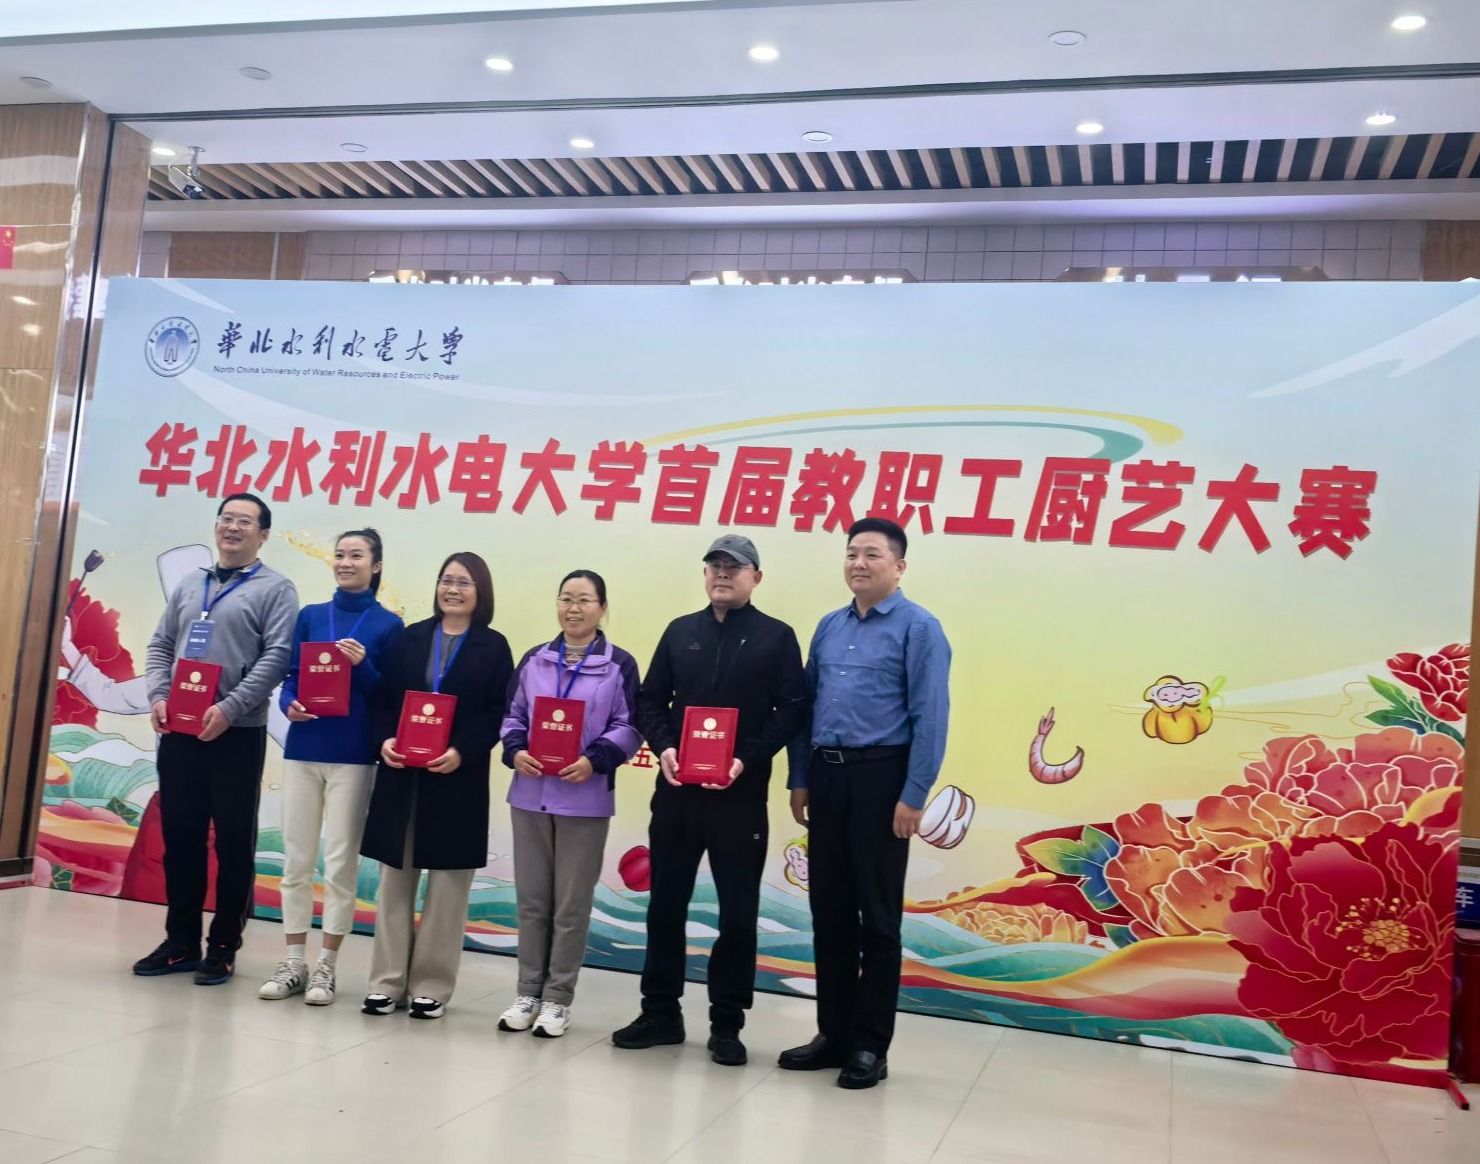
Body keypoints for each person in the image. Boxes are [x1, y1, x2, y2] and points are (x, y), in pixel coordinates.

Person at [612, 534, 807, 1066]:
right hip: (677, 793)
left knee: (737, 913)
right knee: (665, 905)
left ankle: (727, 1022)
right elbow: (650, 699)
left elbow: (791, 711)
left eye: (734, 567)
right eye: (715, 565)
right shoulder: (681, 632)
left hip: (739, 798)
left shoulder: (776, 637)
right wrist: (665, 747)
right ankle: (660, 1013)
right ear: (705, 574)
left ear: (755, 578)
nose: (722, 573)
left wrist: (746, 758)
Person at [779, 517, 951, 1090]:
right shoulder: (829, 627)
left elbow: (931, 718)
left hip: (882, 780)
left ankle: (870, 1046)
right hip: (826, 778)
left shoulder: (920, 629)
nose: (859, 563)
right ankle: (833, 1034)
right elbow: (806, 710)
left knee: (877, 919)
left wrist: (913, 795)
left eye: (872, 554)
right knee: (828, 911)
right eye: (852, 553)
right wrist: (800, 777)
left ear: (899, 566)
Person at [133, 493, 299, 985]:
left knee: (233, 841)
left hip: (236, 735)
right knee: (181, 838)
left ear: (262, 535)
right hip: (181, 732)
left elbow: (278, 656)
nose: (232, 527)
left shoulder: (276, 589)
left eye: (244, 521)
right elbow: (161, 644)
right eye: (226, 518)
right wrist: (159, 695)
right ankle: (180, 942)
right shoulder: (192, 584)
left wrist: (230, 708)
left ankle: (223, 946)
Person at [358, 551, 514, 1020]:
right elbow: (384, 699)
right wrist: (385, 740)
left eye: (464, 582)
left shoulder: (494, 646)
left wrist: (462, 750)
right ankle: (386, 982)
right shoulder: (411, 637)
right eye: (447, 580)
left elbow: (497, 711)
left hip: (456, 778)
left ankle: (431, 985)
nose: (453, 589)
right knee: (395, 882)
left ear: (481, 591)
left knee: (447, 887)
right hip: (403, 774)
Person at [259, 529, 404, 1006]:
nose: (345, 562)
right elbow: (290, 678)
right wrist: (290, 703)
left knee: (340, 863)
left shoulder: (389, 625)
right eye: (340, 554)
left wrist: (363, 666)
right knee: (296, 860)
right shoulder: (311, 615)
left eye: (356, 555)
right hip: (304, 749)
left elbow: (390, 696)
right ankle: (293, 961)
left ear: (375, 565)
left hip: (354, 756)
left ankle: (327, 965)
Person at [497, 569, 642, 1038]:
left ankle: (558, 999)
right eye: (565, 598)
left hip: (585, 799)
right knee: (532, 902)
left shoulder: (619, 665)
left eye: (583, 600)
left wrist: (595, 759)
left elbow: (630, 725)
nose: (573, 608)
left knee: (571, 907)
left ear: (602, 608)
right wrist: (516, 749)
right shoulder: (534, 659)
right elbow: (512, 715)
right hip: (530, 796)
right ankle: (527, 992)